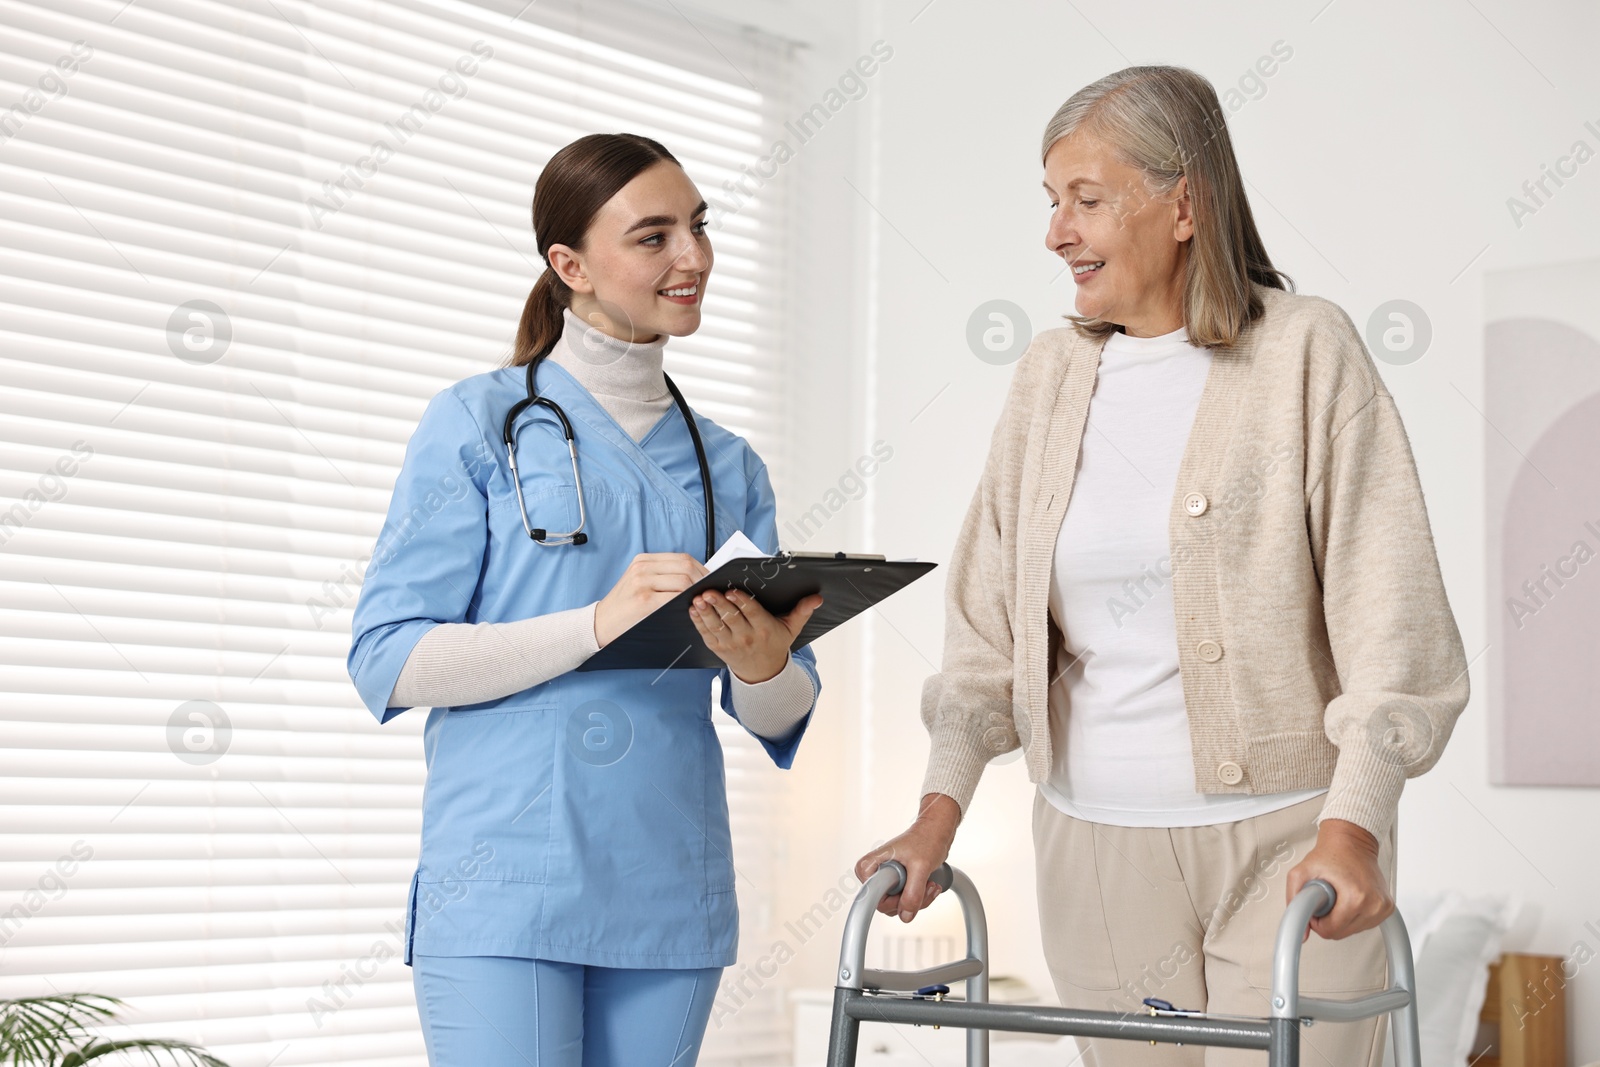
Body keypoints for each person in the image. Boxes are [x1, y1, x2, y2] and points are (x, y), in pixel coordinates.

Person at [854, 66, 1469, 1067]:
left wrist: (1353, 824)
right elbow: (986, 634)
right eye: (1051, 203)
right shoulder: (1049, 377)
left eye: (1087, 201)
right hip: (1092, 852)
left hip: (1286, 843)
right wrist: (936, 812)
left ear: (1184, 204)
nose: (1056, 232)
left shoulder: (1307, 351)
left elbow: (1391, 619)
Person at [347, 132, 825, 1066]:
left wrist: (764, 664)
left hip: (667, 888)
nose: (692, 257)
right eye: (654, 237)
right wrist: (597, 623)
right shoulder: (475, 423)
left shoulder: (727, 464)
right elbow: (388, 658)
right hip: (505, 881)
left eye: (698, 227)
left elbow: (780, 707)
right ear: (570, 265)